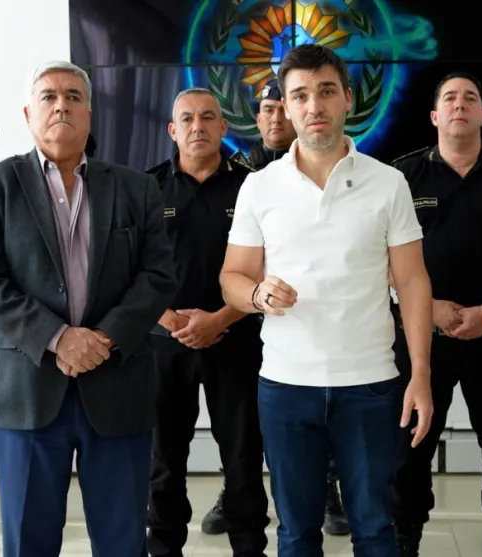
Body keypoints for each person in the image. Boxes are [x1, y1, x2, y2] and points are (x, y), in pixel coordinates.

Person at [218, 44, 434, 556]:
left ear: (347, 99)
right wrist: (257, 293)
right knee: (296, 532)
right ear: (286, 107)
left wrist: (421, 375)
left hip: (370, 384)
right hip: (286, 385)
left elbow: (412, 283)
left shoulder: (389, 183)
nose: (314, 105)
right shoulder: (259, 187)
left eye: (326, 91)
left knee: (375, 529)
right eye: (300, 95)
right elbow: (232, 278)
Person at [0, 60, 177, 557]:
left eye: (73, 96)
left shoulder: (136, 187)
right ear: (28, 113)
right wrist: (59, 338)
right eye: (49, 96)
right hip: (29, 389)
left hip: (117, 383)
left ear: (89, 113)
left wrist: (103, 338)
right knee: (29, 542)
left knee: (123, 542)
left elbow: (158, 275)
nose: (61, 105)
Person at [389, 72, 482, 557]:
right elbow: (378, 256)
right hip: (420, 336)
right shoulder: (402, 176)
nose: (460, 104)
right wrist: (427, 308)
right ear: (434, 116)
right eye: (449, 97)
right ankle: (404, 533)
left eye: (470, 97)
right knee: (410, 440)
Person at [207, 79, 349, 539]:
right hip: (241, 321)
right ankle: (235, 492)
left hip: (302, 320)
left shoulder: (329, 167)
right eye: (265, 109)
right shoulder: (238, 175)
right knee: (241, 422)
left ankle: (326, 490)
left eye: (278, 108)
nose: (273, 117)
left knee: (316, 413)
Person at [144, 88, 270, 557]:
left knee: (242, 456)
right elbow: (127, 267)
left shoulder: (253, 186)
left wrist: (219, 320)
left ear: (223, 127)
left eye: (208, 117)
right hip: (162, 343)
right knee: (163, 459)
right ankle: (164, 547)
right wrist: (169, 319)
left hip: (236, 339)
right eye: (187, 119)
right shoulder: (147, 188)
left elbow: (271, 266)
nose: (198, 126)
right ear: (173, 130)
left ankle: (249, 546)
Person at [231, 81, 296, 171]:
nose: (276, 119)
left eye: (284, 110)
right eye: (269, 111)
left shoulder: (313, 167)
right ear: (258, 121)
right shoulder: (239, 172)